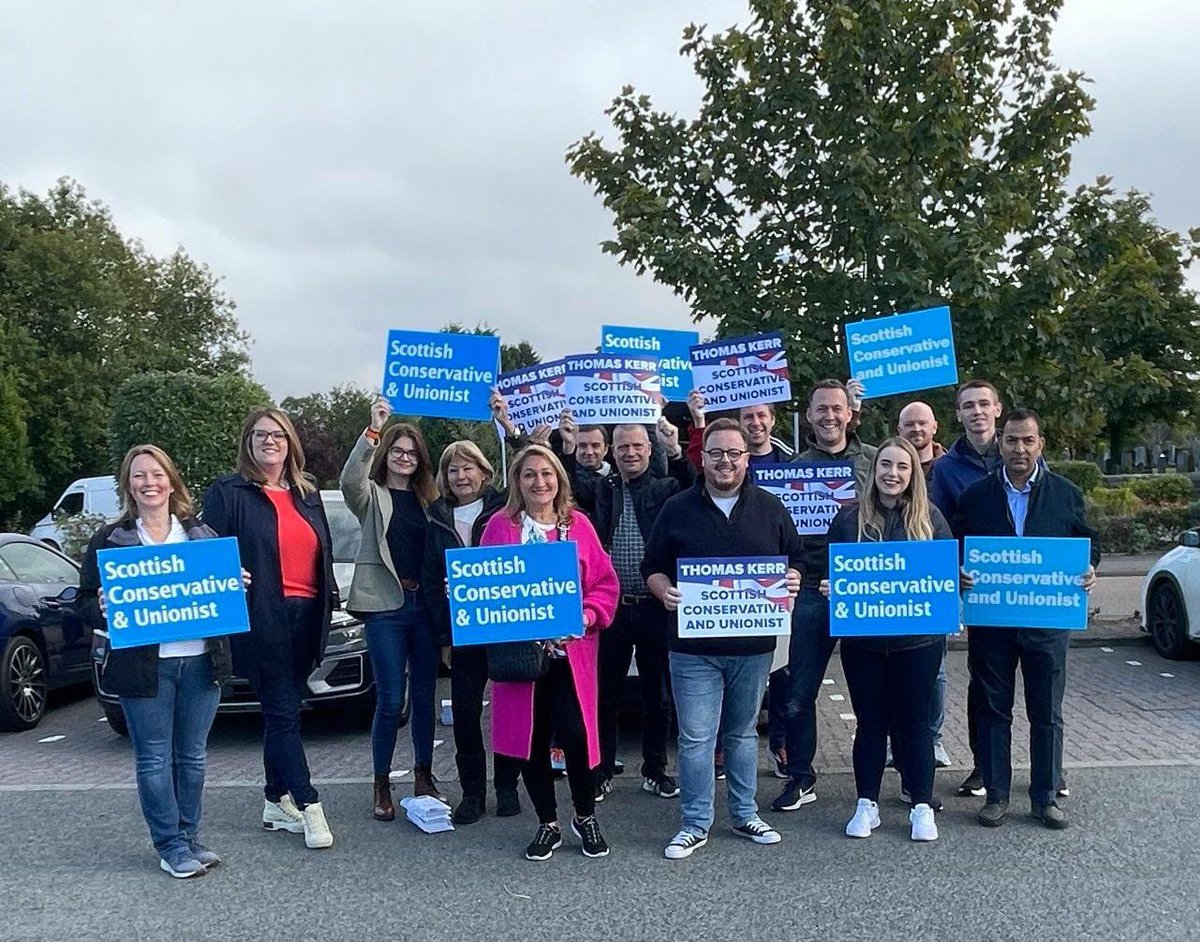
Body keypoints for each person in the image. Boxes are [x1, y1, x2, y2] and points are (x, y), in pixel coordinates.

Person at [642, 418, 803, 860]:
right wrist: (662, 589)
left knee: (742, 734)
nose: (725, 461)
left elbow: (798, 558)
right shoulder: (676, 508)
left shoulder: (771, 508)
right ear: (703, 457)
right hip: (693, 650)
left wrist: (793, 577)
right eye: (716, 453)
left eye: (734, 453)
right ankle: (695, 822)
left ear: (747, 458)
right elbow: (651, 565)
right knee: (696, 738)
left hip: (752, 649)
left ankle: (744, 812)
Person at [80, 445, 241, 878]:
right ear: (127, 485)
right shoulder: (111, 539)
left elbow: (223, 594)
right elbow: (82, 605)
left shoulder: (201, 535)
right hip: (144, 668)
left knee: (193, 756)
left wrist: (234, 584)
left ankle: (189, 836)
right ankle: (169, 844)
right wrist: (99, 606)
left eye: (156, 474)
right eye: (139, 476)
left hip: (201, 661)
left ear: (172, 480)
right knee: (153, 758)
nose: (149, 483)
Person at [954, 409, 1099, 830]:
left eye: (1028, 441)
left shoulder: (1066, 493)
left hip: (1046, 624)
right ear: (1000, 443)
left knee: (1046, 712)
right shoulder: (976, 496)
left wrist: (1089, 567)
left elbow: (1090, 543)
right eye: (1012, 440)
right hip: (993, 623)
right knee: (994, 710)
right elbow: (956, 548)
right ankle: (996, 795)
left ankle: (1045, 796)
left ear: (1041, 444)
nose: (1020, 449)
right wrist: (957, 570)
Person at [202, 408, 338, 849]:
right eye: (261, 434)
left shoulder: (306, 492)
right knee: (282, 710)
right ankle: (309, 804)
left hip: (308, 615)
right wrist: (225, 575)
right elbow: (207, 553)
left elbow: (323, 553)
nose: (270, 441)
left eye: (278, 434)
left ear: (290, 442)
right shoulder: (228, 492)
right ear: (248, 441)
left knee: (286, 709)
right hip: (263, 616)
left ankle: (274, 800)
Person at [480, 445, 619, 861]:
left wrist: (587, 615)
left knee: (576, 736)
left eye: (547, 474)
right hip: (520, 657)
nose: (539, 482)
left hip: (570, 656)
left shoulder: (578, 526)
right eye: (529, 475)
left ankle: (585, 814)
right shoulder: (499, 528)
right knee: (530, 738)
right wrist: (464, 594)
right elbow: (484, 587)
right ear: (517, 482)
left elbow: (604, 584)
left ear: (559, 479)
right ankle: (547, 822)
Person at [817, 437, 953, 842]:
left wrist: (954, 580)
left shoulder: (931, 519)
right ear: (873, 472)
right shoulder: (849, 520)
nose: (893, 474)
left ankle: (922, 805)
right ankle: (866, 803)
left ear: (913, 474)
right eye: (885, 465)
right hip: (865, 645)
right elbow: (828, 570)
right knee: (871, 724)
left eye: (902, 467)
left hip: (919, 643)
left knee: (915, 724)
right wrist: (831, 587)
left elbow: (944, 573)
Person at [563, 417, 693, 803]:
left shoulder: (667, 488)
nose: (630, 453)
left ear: (649, 449)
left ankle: (655, 770)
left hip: (655, 605)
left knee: (659, 695)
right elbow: (567, 486)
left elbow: (693, 487)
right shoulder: (602, 489)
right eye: (622, 447)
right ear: (611, 452)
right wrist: (568, 446)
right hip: (611, 609)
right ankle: (601, 769)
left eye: (637, 446)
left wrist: (677, 451)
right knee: (605, 694)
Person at [774, 379, 877, 812]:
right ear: (810, 415)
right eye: (821, 409)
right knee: (798, 692)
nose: (829, 417)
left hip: (866, 587)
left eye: (837, 408)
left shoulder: (874, 462)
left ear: (850, 413)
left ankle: (890, 782)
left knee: (875, 693)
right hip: (813, 590)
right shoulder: (795, 468)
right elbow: (782, 536)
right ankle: (801, 776)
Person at [340, 397, 441, 822]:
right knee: (390, 699)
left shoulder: (430, 501)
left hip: (425, 608)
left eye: (412, 452)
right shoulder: (372, 497)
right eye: (398, 451)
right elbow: (349, 481)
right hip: (385, 608)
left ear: (420, 459)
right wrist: (373, 430)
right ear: (387, 455)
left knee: (423, 696)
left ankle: (423, 773)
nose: (405, 457)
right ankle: (381, 782)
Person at [421, 438, 524, 825]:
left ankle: (508, 787)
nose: (461, 475)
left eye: (468, 467)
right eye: (453, 469)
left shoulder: (507, 509)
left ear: (485, 471)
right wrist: (444, 636)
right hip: (462, 632)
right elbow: (432, 581)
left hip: (505, 629)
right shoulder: (435, 516)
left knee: (509, 709)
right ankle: (473, 793)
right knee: (464, 712)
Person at [928, 380, 1004, 798]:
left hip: (1020, 585)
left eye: (983, 404)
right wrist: (951, 567)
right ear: (958, 414)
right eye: (968, 406)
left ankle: (1050, 769)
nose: (976, 411)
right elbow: (941, 527)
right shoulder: (946, 467)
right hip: (973, 585)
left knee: (1037, 684)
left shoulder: (1021, 452)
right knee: (984, 680)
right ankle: (983, 766)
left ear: (997, 409)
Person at [897, 400, 951, 770]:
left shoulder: (948, 469)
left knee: (937, 673)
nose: (916, 430)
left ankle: (932, 740)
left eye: (922, 424)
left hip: (929, 595)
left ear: (935, 428)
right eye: (908, 425)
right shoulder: (888, 468)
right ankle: (895, 741)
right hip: (886, 598)